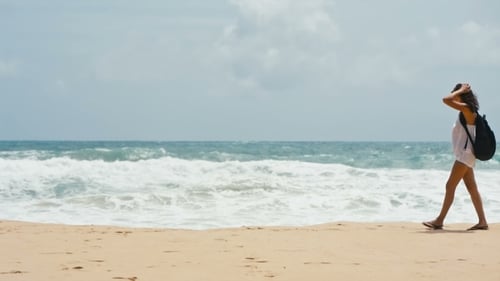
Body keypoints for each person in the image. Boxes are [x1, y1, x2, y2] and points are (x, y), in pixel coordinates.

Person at [423, 83, 488, 231]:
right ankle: (482, 221)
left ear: (462, 95)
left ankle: (439, 220)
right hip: (466, 154)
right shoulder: (467, 110)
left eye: (456, 92)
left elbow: (446, 100)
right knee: (472, 187)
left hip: (465, 155)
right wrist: (459, 92)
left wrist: (460, 90)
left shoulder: (467, 109)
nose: (453, 93)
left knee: (449, 186)